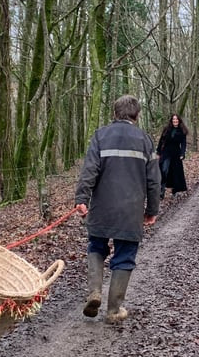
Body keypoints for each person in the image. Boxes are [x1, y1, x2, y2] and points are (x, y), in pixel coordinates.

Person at [75, 95, 161, 325]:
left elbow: (89, 170)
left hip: (102, 207)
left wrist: (82, 198)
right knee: (124, 256)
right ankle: (113, 310)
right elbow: (154, 179)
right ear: (137, 115)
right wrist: (152, 209)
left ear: (115, 113)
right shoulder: (145, 140)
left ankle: (94, 291)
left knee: (96, 246)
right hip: (131, 212)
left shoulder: (100, 136)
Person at [156, 114, 188, 198]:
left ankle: (175, 191)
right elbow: (161, 141)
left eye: (176, 119)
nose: (175, 121)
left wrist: (182, 153)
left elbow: (183, 143)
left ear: (179, 121)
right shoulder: (166, 129)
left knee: (175, 173)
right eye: (173, 119)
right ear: (171, 120)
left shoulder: (182, 131)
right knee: (164, 170)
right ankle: (161, 191)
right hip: (166, 153)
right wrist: (158, 152)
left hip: (176, 154)